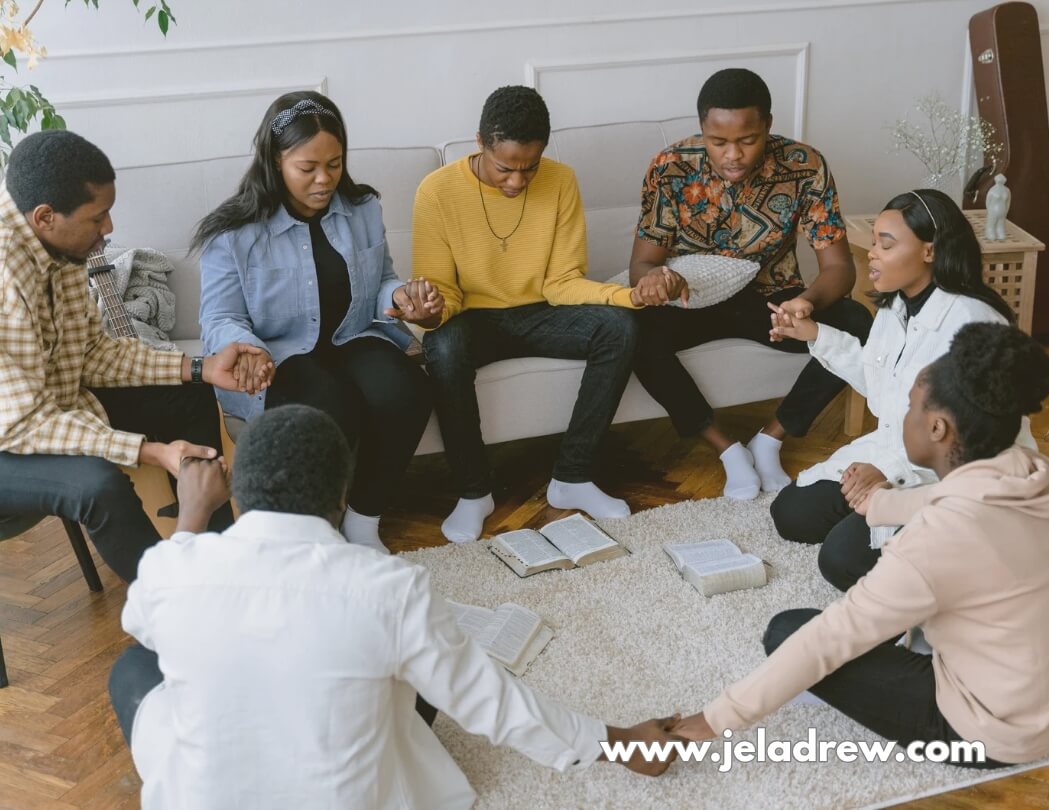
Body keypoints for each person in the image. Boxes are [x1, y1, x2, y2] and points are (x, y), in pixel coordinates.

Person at [108, 404, 681, 809]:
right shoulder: (387, 587)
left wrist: (191, 519)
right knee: (417, 673)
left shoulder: (173, 568)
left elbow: (143, 619)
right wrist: (624, 745)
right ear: (340, 496)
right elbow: (494, 704)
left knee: (134, 667)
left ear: (235, 489)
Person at [673, 323, 1049, 769]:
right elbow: (955, 498)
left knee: (789, 633)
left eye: (909, 409)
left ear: (938, 428)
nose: (902, 419)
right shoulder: (1033, 474)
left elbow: (834, 637)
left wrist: (709, 721)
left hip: (988, 734)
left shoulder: (934, 541)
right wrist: (880, 503)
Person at [0, 130, 265, 583]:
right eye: (98, 217)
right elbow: (23, 421)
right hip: (10, 432)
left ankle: (213, 568)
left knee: (191, 395)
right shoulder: (6, 275)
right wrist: (153, 452)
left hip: (45, 409)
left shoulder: (58, 246)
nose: (109, 229)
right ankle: (169, 609)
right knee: (98, 486)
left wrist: (199, 367)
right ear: (45, 217)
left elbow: (92, 355)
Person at [413, 85, 652, 543]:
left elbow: (562, 281)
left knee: (620, 327)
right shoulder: (437, 191)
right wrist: (429, 314)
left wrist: (629, 297)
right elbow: (444, 294)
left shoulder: (561, 181)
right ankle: (474, 491)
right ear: (480, 141)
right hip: (472, 318)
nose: (518, 182)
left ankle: (573, 477)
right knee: (443, 346)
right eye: (505, 168)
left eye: (530, 167)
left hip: (543, 309)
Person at [196, 91, 432, 552]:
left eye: (336, 164)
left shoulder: (363, 209)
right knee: (329, 405)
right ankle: (318, 533)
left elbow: (382, 279)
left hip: (352, 335)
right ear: (275, 161)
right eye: (308, 169)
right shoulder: (233, 232)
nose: (325, 180)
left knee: (408, 390)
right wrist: (246, 347)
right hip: (280, 350)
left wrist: (400, 297)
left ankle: (363, 523)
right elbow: (220, 317)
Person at [768, 189, 1031, 591]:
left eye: (885, 245)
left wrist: (887, 474)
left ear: (930, 251)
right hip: (897, 448)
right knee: (791, 513)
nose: (872, 253)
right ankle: (870, 513)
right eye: (874, 242)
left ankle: (951, 551)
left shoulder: (975, 324)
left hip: (961, 475)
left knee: (840, 560)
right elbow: (877, 381)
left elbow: (971, 441)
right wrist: (812, 332)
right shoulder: (896, 309)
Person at [630, 68, 873, 500]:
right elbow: (643, 264)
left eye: (747, 140)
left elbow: (839, 268)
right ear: (702, 128)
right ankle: (727, 451)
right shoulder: (670, 167)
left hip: (772, 304)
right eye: (718, 142)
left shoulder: (805, 167)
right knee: (632, 332)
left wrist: (805, 302)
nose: (733, 155)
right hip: (694, 300)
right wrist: (657, 281)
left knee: (854, 320)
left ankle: (770, 440)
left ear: (768, 127)